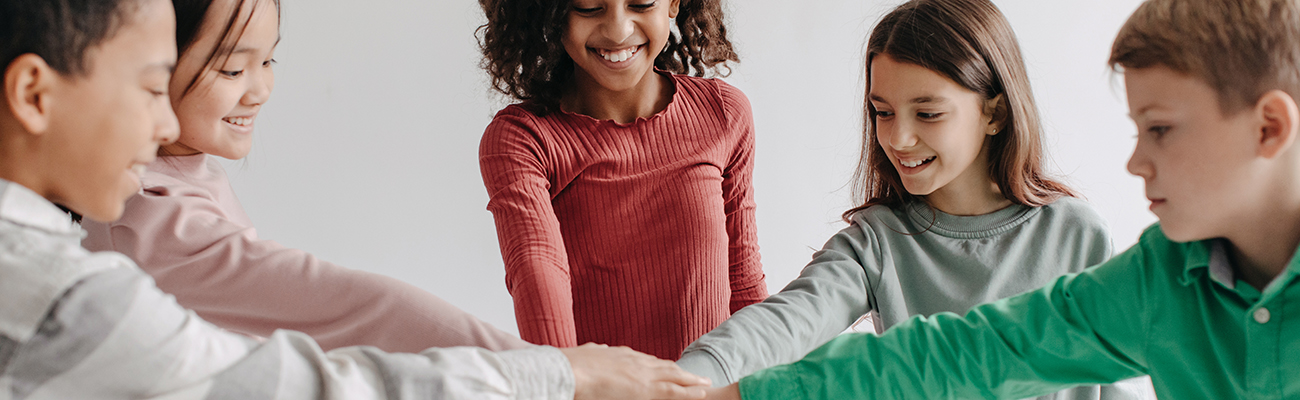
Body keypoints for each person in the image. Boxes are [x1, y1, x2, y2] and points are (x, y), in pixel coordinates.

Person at [0, 0, 710, 398]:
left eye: (268, 61)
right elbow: (330, 333)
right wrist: (559, 371)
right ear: (33, 94)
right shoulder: (113, 246)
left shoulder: (136, 202)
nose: (159, 125)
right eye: (151, 86)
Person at [703, 0, 1300, 398]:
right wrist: (711, 387)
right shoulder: (1160, 279)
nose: (1135, 162)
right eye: (882, 113)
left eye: (1161, 129)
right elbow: (957, 354)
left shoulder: (1081, 235)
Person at [80, 0, 525, 354]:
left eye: (269, 61)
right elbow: (353, 308)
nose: (260, 90)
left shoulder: (180, 173)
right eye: (234, 69)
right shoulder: (154, 211)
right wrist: (539, 368)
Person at [475, 0, 767, 360]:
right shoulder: (524, 139)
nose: (618, 30)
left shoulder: (722, 113)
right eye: (588, 7)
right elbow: (538, 277)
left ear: (674, 3)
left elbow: (744, 287)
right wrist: (572, 385)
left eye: (641, 3)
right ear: (552, 12)